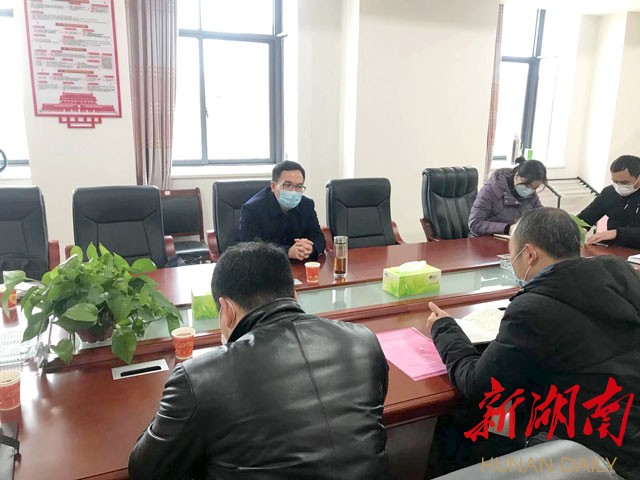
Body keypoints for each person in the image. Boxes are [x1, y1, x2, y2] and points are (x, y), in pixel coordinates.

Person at [129, 242, 389, 480]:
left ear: (226, 310)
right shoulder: (362, 341)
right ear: (294, 295)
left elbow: (146, 470)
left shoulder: (200, 378)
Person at [426, 208, 640, 479]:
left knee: (468, 420)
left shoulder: (534, 308)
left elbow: (479, 386)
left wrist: (444, 328)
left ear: (529, 254)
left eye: (511, 254)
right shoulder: (621, 273)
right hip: (630, 430)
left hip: (597, 454)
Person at [239, 160, 326, 261]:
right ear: (273, 186)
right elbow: (251, 248)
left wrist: (310, 248)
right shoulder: (252, 209)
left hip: (299, 264)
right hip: (265, 265)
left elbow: (318, 237)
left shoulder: (307, 205)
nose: (294, 191)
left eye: (299, 186)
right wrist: (288, 252)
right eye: (287, 185)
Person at [468, 157, 546, 237]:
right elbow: (474, 224)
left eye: (535, 188)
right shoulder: (490, 190)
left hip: (513, 239)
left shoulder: (531, 195)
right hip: (483, 239)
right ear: (517, 176)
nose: (530, 190)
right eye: (527, 186)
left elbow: (540, 217)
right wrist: (507, 229)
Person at [579, 154, 640, 248]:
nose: (619, 186)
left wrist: (617, 233)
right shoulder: (609, 193)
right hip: (613, 249)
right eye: (615, 181)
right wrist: (576, 229)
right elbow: (586, 218)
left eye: (625, 182)